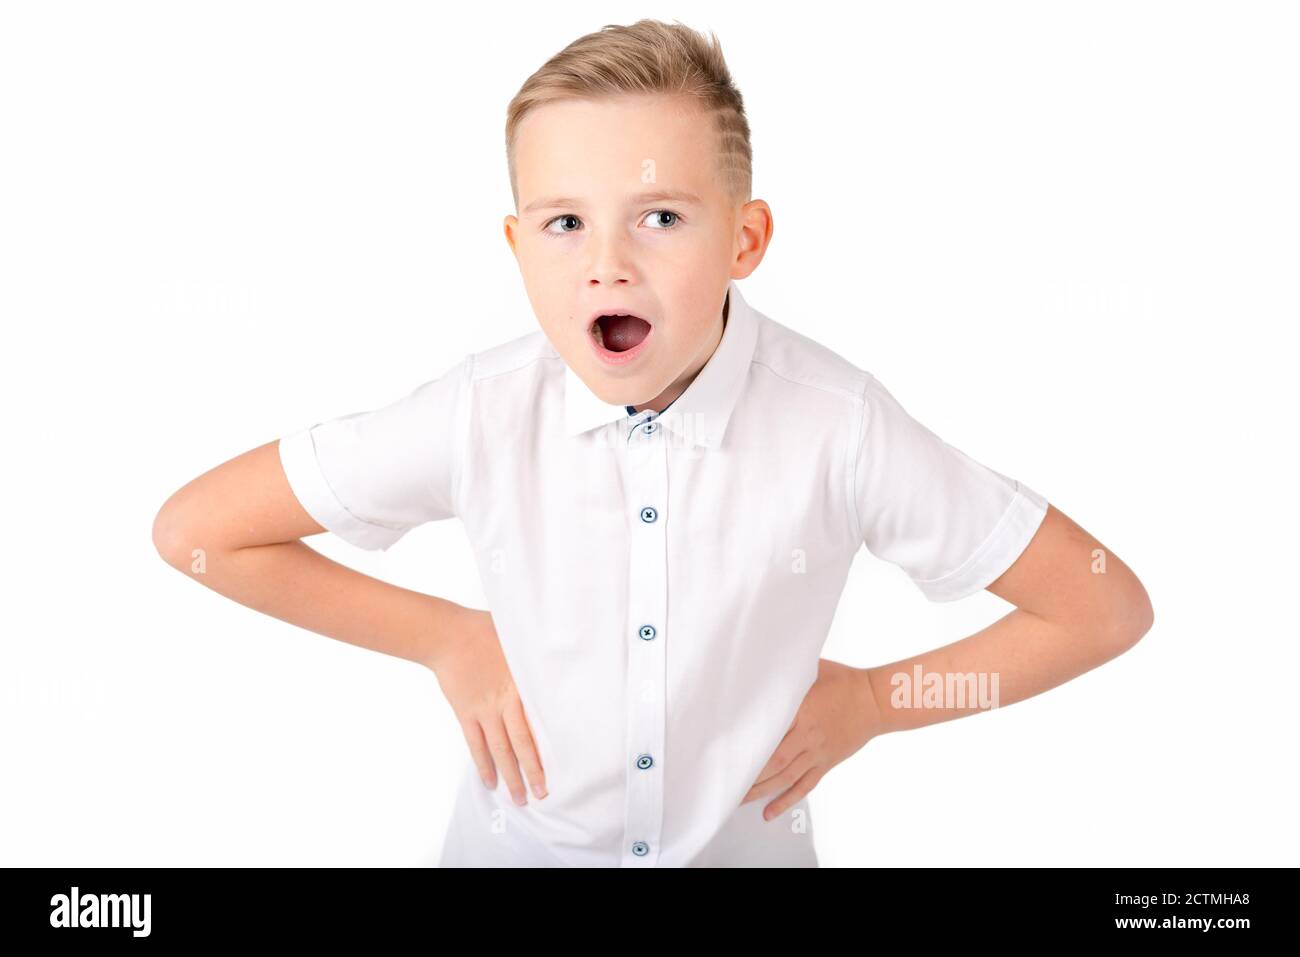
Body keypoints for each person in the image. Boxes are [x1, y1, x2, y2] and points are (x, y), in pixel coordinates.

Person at [153, 18, 1153, 867]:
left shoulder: (837, 425)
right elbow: (199, 531)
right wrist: (443, 637)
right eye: (564, 225)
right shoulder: (479, 412)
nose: (606, 267)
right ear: (515, 248)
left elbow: (1100, 608)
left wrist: (878, 704)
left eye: (660, 217)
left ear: (744, 241)